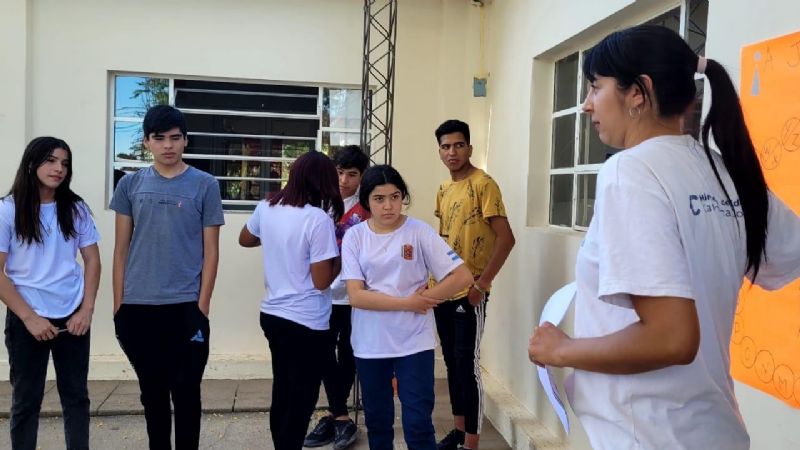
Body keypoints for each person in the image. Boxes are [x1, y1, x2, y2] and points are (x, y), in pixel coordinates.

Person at [527, 25, 800, 450]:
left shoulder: (630, 171)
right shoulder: (725, 172)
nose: (586, 105)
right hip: (715, 430)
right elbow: (787, 256)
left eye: (596, 87)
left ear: (638, 92)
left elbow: (672, 337)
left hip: (650, 435)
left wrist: (561, 350)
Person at [111, 105, 224, 450]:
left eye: (175, 138)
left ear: (186, 140)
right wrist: (119, 306)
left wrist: (201, 306)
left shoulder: (205, 185)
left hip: (185, 308)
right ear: (146, 142)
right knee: (153, 395)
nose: (168, 146)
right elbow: (120, 249)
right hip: (138, 308)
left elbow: (211, 252)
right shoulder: (130, 185)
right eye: (159, 138)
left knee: (187, 395)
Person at [341, 165, 474, 450]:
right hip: (370, 343)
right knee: (378, 423)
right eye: (379, 198)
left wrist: (430, 297)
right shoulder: (355, 237)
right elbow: (357, 296)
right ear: (367, 201)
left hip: (414, 342)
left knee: (418, 424)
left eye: (395, 196)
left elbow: (462, 276)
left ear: (403, 197)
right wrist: (409, 303)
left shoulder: (418, 231)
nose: (388, 205)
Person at [0, 136, 101, 450]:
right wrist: (29, 318)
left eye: (65, 163)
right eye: (51, 161)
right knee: (26, 402)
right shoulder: (8, 210)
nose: (59, 169)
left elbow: (92, 260)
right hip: (27, 319)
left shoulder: (75, 208)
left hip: (73, 318)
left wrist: (86, 310)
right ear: (32, 163)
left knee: (76, 400)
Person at [239, 150, 343, 450]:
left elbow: (245, 239)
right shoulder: (317, 219)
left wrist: (275, 239)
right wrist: (340, 257)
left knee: (282, 390)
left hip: (272, 315)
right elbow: (322, 281)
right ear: (324, 183)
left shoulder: (267, 207)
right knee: (302, 398)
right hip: (306, 319)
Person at [431, 120, 515, 450]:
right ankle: (459, 430)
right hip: (443, 290)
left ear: (469, 147)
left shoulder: (484, 184)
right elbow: (445, 240)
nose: (452, 152)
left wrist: (482, 284)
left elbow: (506, 239)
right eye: (445, 146)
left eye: (458, 145)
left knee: (468, 365)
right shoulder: (443, 190)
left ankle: (472, 443)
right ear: (439, 150)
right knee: (452, 363)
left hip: (471, 292)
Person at [304, 145, 370, 450]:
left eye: (352, 174)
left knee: (348, 356)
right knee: (320, 354)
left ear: (361, 176)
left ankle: (335, 415)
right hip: (321, 293)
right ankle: (339, 415)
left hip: (353, 294)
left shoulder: (367, 208)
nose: (344, 180)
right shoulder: (317, 203)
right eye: (339, 172)